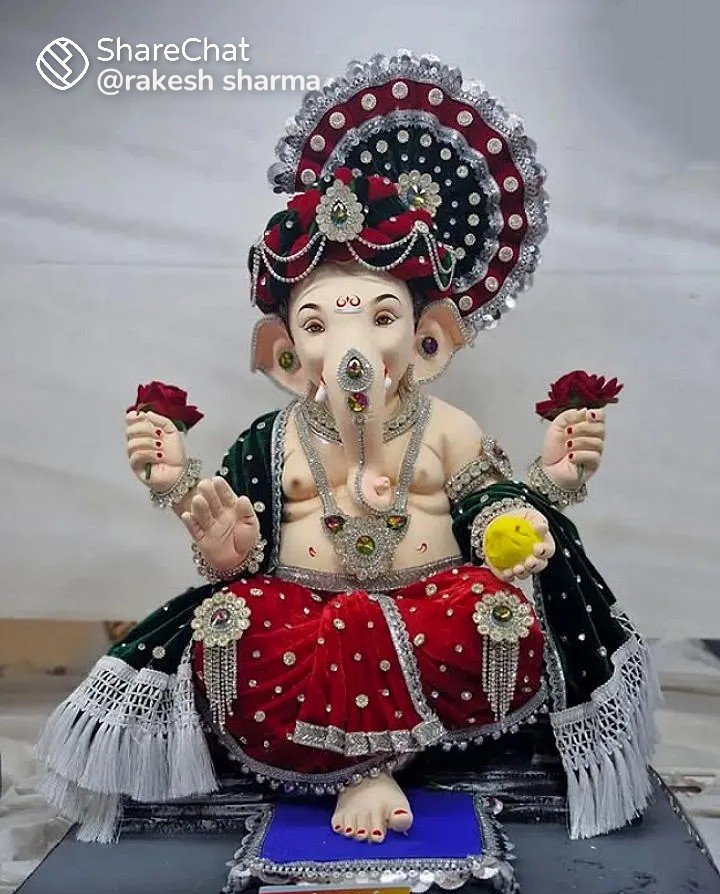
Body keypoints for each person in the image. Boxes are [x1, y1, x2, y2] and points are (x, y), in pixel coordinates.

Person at [36, 51, 659, 845]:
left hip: (431, 610)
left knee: (489, 604)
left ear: (430, 340)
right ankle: (371, 766)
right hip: (304, 616)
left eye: (382, 317)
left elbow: (490, 505)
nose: (352, 347)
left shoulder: (447, 426)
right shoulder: (271, 438)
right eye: (319, 324)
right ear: (286, 355)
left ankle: (372, 762)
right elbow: (239, 548)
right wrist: (217, 540)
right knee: (233, 617)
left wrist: (533, 503)